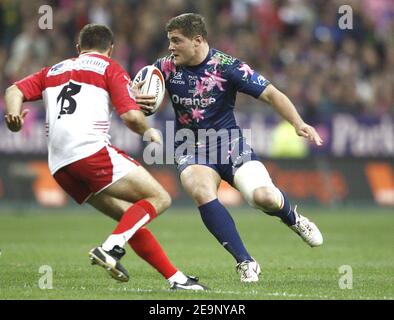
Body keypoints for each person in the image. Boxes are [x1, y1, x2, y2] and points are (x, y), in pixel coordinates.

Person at [4, 23, 206, 291]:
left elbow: (13, 90)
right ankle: (110, 248)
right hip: (89, 152)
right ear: (110, 50)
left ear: (78, 49)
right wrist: (149, 132)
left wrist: (15, 116)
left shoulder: (52, 70)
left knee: (129, 220)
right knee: (160, 197)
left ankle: (176, 279)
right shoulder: (110, 68)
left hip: (60, 166)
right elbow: (131, 117)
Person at [136, 13, 323, 283]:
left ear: (197, 40)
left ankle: (292, 217)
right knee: (200, 189)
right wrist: (136, 100)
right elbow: (139, 90)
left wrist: (298, 123)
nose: (170, 47)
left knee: (264, 198)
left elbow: (272, 93)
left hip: (230, 144)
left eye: (176, 41)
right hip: (191, 147)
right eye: (169, 41)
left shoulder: (227, 66)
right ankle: (245, 261)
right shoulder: (164, 68)